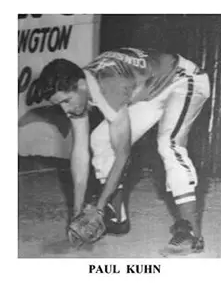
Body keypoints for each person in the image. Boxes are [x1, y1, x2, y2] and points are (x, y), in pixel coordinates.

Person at [38, 47, 210, 254]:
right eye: (60, 105)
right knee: (100, 140)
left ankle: (193, 234)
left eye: (66, 101)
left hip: (183, 79)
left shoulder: (110, 85)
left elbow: (123, 154)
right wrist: (77, 213)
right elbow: (80, 153)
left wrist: (98, 208)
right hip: (149, 91)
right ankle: (117, 218)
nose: (66, 110)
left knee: (169, 144)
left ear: (81, 85)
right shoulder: (79, 86)